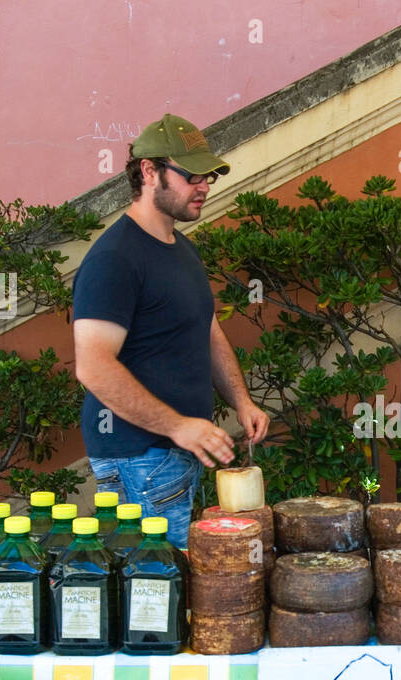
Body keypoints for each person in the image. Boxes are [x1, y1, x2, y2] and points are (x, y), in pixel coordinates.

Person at [72, 114, 268, 549]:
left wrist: (241, 401)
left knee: (174, 584)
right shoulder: (115, 258)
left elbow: (209, 330)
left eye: (209, 176)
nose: (204, 186)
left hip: (173, 454)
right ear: (148, 171)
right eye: (191, 175)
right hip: (138, 456)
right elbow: (93, 367)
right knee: (152, 590)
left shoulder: (182, 249)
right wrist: (178, 426)